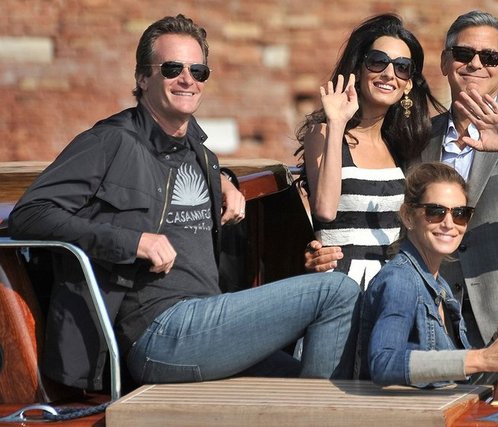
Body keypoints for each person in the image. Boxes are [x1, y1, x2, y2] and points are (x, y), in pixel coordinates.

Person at [8, 14, 360, 391]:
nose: (187, 79)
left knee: (294, 381)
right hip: (158, 332)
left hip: (205, 325)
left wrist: (226, 181)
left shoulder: (200, 155)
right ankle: (316, 413)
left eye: (198, 71)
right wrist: (132, 242)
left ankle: (313, 408)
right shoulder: (110, 142)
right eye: (172, 68)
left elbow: (173, 175)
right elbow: (29, 214)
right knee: (336, 291)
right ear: (143, 78)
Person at [307, 10, 498, 348]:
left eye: (489, 57)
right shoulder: (418, 137)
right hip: (437, 325)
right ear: (445, 62)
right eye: (463, 54)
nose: (475, 64)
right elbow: (378, 209)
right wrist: (315, 251)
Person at [360, 162, 498, 387]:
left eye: (460, 214)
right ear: (408, 216)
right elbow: (384, 363)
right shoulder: (400, 280)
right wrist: (481, 358)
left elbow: (456, 377)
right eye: (435, 212)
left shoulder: (439, 285)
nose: (449, 224)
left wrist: (496, 345)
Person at [296, 14, 444, 289]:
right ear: (359, 69)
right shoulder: (324, 133)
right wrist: (338, 122)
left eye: (402, 67)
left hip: (391, 287)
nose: (389, 73)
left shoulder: (404, 145)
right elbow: (325, 211)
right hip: (340, 285)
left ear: (408, 84)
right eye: (378, 61)